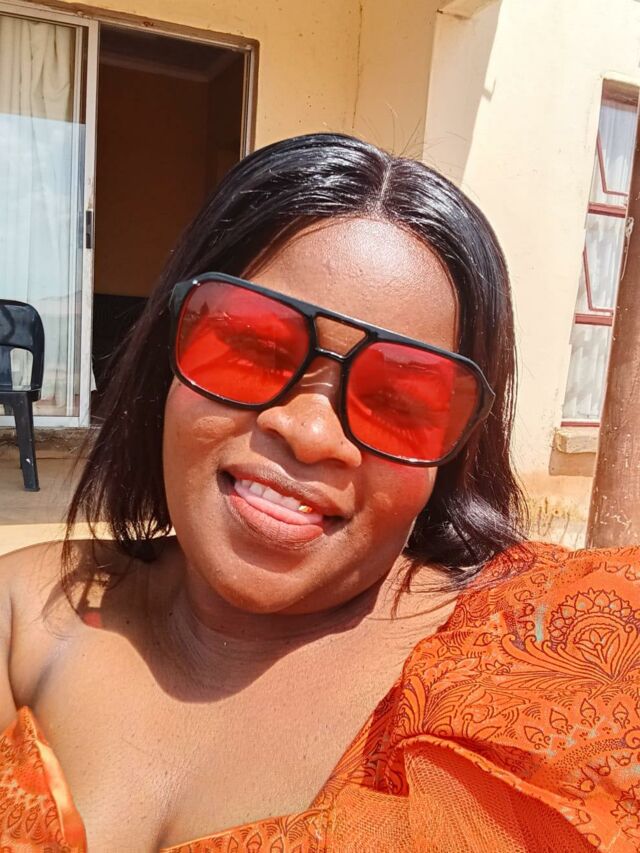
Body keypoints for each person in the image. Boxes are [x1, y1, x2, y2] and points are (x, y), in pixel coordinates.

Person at [0, 133, 638, 853]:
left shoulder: (566, 662)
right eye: (251, 346)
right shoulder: (29, 611)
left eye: (398, 398)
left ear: (454, 453)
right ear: (167, 352)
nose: (308, 431)